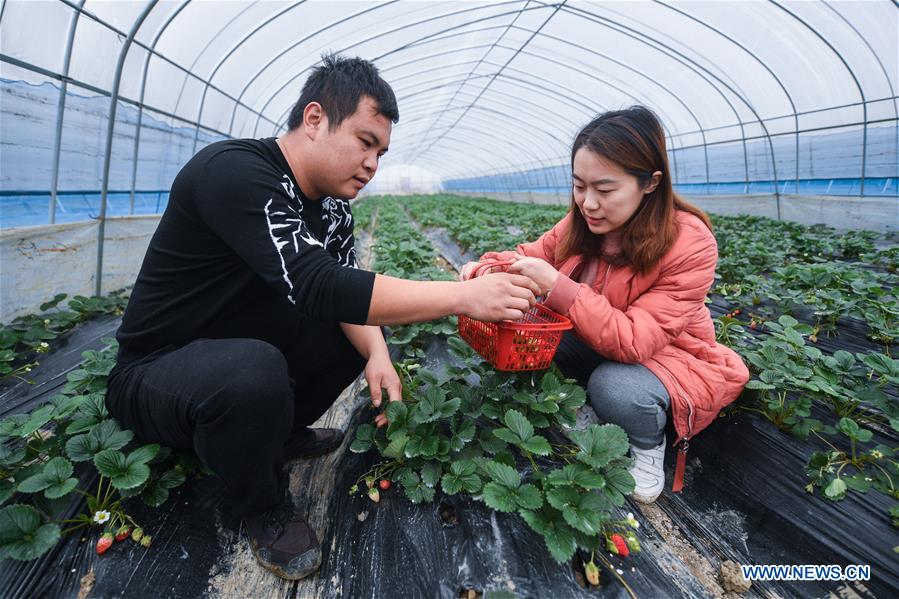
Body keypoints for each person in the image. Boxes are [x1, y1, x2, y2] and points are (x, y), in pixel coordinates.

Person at [105, 54, 539, 581]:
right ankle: (263, 506)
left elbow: (343, 290)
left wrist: (378, 353)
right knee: (252, 371)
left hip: (236, 350)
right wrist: (462, 297)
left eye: (381, 151)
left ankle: (271, 433)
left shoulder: (333, 206)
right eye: (364, 142)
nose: (373, 163)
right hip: (156, 373)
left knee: (348, 339)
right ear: (314, 120)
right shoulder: (233, 172)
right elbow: (316, 283)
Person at [462, 106, 749, 504]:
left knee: (614, 387)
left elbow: (634, 342)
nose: (588, 203)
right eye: (579, 186)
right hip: (597, 341)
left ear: (650, 183)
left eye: (605, 189)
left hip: (665, 359)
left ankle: (648, 446)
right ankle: (586, 408)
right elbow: (528, 255)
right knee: (524, 330)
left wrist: (558, 286)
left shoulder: (690, 242)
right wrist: (485, 268)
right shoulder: (582, 222)